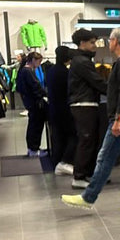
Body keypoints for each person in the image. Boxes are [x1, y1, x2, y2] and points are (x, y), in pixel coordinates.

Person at [61, 27, 120, 214]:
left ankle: (88, 197)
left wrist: (119, 118)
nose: (106, 43)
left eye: (109, 40)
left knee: (105, 157)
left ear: (116, 42)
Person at [68, 29, 109, 188]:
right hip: (84, 104)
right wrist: (115, 90)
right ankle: (79, 177)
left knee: (89, 140)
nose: (95, 46)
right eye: (92, 43)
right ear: (82, 43)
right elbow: (97, 82)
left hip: (85, 103)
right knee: (86, 140)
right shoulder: (82, 62)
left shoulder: (81, 60)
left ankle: (85, 175)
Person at [46, 46, 77, 175]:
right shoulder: (64, 72)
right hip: (63, 110)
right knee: (73, 136)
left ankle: (57, 162)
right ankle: (64, 162)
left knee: (58, 137)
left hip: (53, 109)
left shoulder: (51, 70)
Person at [15, 52, 48, 156]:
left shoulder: (23, 70)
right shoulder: (28, 71)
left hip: (29, 102)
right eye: (39, 61)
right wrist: (46, 94)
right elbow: (36, 86)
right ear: (33, 60)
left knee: (33, 125)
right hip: (35, 102)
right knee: (36, 126)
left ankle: (33, 148)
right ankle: (34, 149)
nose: (39, 64)